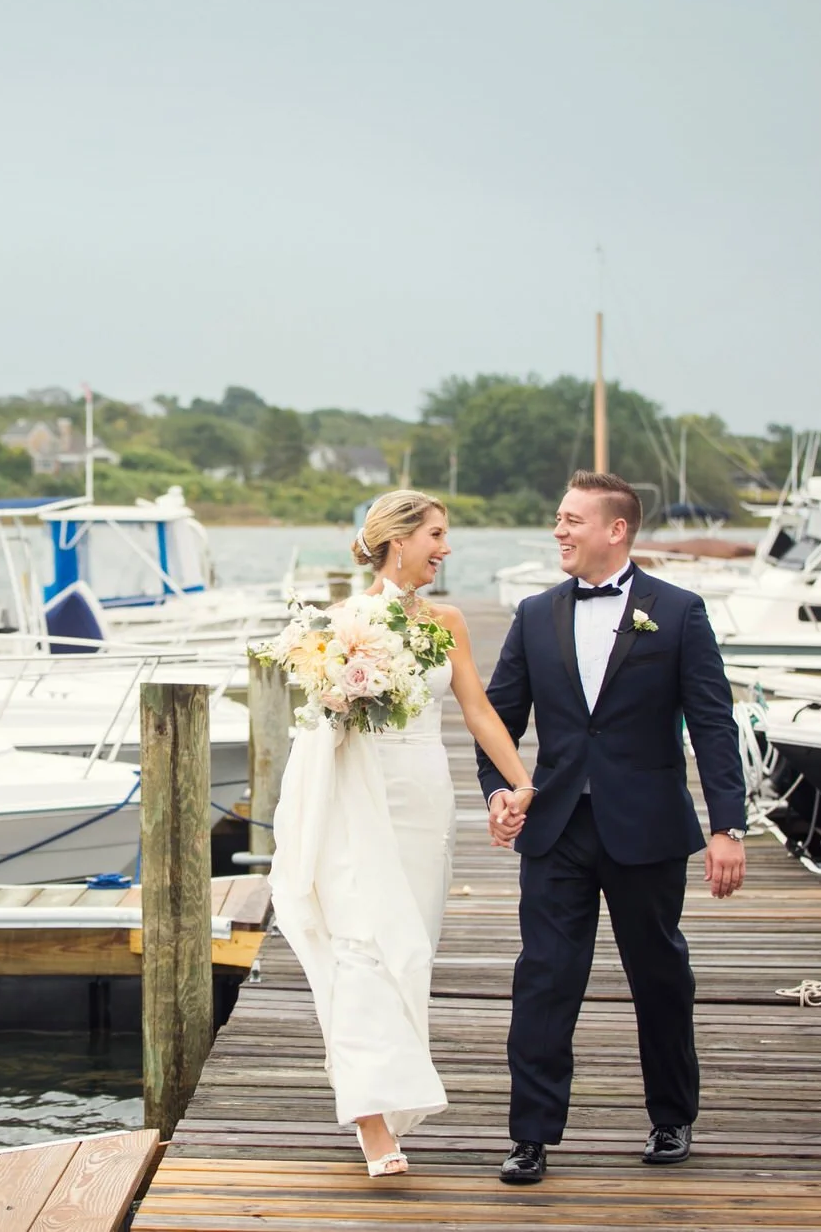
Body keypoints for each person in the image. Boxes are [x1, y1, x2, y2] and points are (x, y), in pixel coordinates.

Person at [476, 470, 747, 1185]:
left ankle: (671, 1118)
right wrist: (500, 790)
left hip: (648, 827)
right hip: (557, 824)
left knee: (659, 973)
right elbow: (497, 718)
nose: (559, 530)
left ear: (615, 530)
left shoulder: (679, 611)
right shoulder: (535, 613)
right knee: (544, 977)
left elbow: (714, 725)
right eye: (558, 518)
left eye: (571, 519)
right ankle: (531, 1135)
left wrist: (729, 826)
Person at [269, 489, 533, 1178]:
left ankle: (379, 1083)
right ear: (398, 539)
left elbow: (477, 709)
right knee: (362, 944)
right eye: (437, 535)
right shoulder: (338, 622)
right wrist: (341, 684)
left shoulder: (448, 621)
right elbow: (323, 720)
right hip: (359, 794)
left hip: (426, 794)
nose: (446, 549)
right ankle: (372, 1118)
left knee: (409, 948)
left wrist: (520, 780)